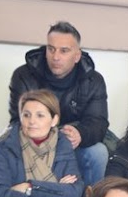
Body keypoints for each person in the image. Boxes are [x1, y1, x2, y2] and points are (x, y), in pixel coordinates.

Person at [8, 21, 110, 185]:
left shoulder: (93, 80)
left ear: (77, 56)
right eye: (51, 49)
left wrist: (80, 134)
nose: (55, 57)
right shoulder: (23, 75)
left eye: (64, 51)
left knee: (98, 152)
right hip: (34, 142)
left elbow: (98, 122)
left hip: (74, 144)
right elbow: (16, 121)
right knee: (6, 148)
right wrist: (48, 137)